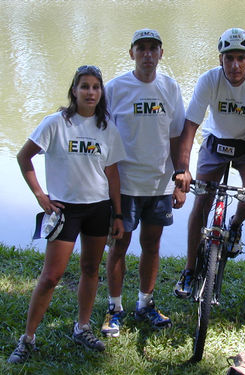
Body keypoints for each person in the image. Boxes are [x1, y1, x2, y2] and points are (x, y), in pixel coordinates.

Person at [8, 65, 126, 363]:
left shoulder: (107, 129)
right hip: (65, 210)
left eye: (96, 87)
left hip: (98, 208)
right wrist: (41, 196)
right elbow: (24, 157)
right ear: (74, 90)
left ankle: (82, 326)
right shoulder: (55, 124)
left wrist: (118, 215)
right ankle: (27, 339)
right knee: (51, 276)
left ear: (102, 93)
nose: (90, 92)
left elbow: (112, 174)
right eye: (84, 86)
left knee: (91, 270)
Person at [173, 28, 245, 298]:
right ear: (220, 59)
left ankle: (235, 224)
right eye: (229, 58)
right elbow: (190, 125)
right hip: (215, 142)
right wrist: (183, 168)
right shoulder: (209, 80)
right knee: (201, 202)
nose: (235, 65)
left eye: (241, 58)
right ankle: (188, 269)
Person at [100, 29, 185, 337]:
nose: (147, 54)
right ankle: (114, 308)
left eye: (153, 49)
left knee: (152, 245)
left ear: (161, 54)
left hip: (160, 185)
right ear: (131, 53)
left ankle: (145, 304)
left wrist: (179, 177)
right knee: (119, 245)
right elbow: (101, 134)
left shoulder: (171, 88)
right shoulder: (116, 88)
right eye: (141, 48)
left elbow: (177, 137)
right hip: (124, 185)